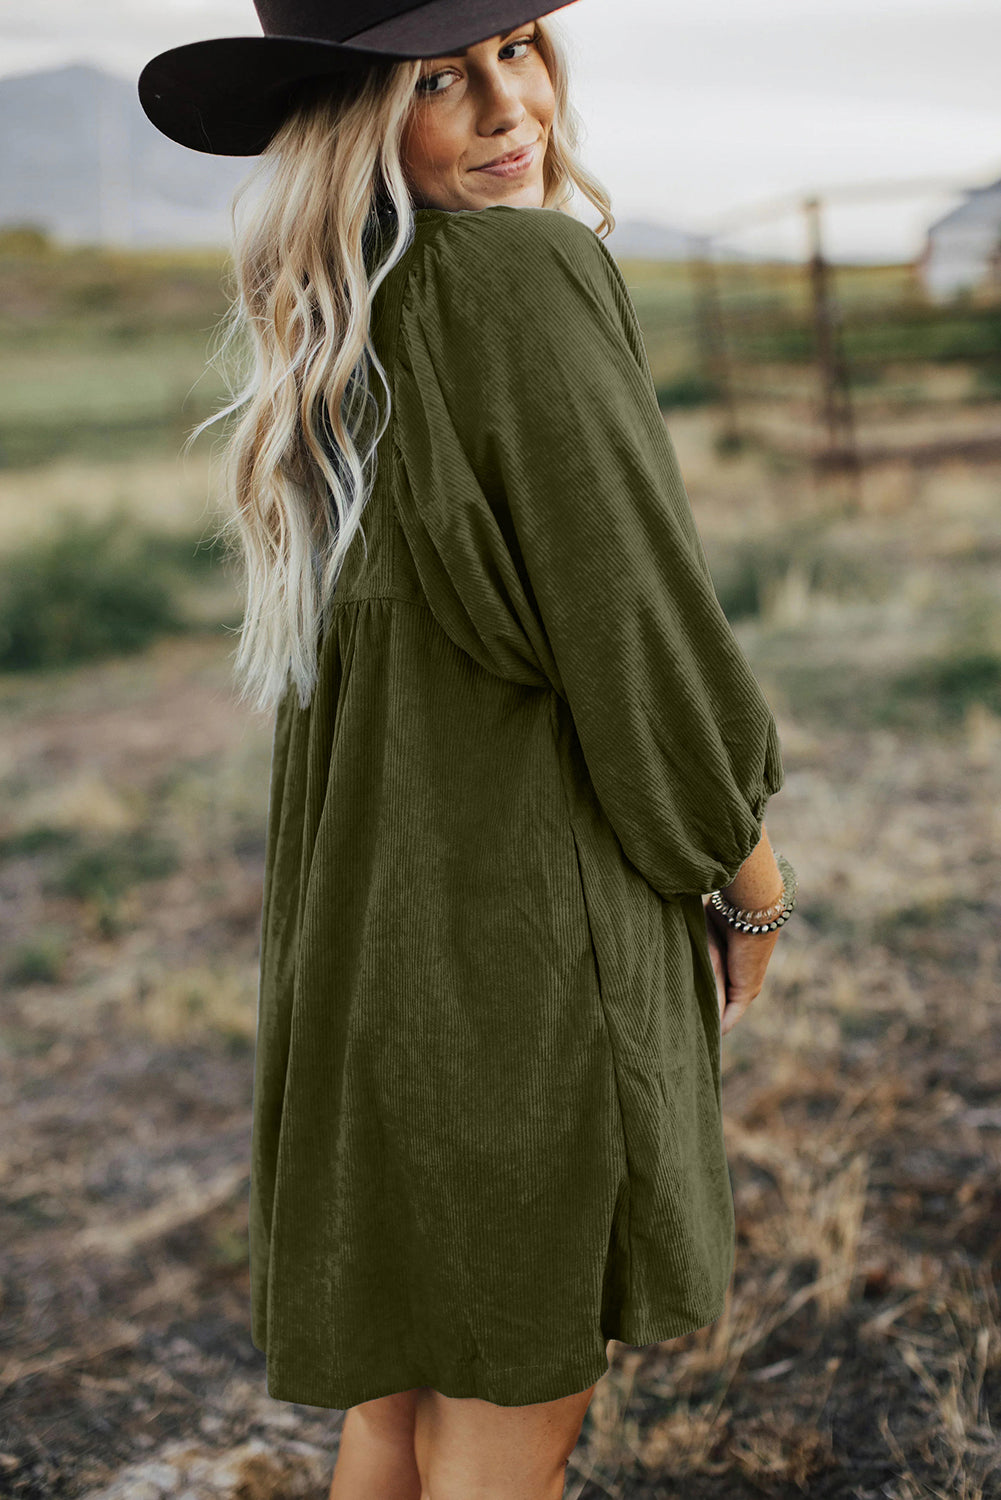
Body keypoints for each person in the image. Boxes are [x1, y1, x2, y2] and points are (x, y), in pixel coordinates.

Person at [138, 3, 798, 1496]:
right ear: (359, 125)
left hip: (366, 943)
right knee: (510, 1404)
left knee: (396, 1404)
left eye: (518, 48)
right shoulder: (519, 274)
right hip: (521, 941)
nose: (510, 107)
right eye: (441, 79)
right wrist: (743, 874)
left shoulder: (348, 318)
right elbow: (634, 622)